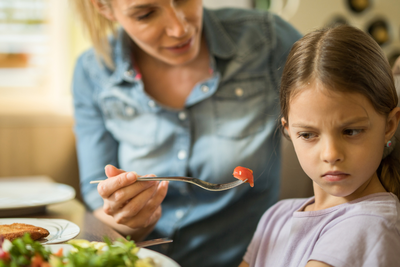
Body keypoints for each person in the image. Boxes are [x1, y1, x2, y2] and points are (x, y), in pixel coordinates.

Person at [71, 0, 302, 266]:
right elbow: (97, 198)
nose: (180, 28)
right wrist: (132, 220)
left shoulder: (267, 40)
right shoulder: (92, 73)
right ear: (104, 7)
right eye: (146, 14)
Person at [240, 25, 400, 267]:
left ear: (389, 125)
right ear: (288, 130)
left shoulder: (371, 225)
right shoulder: (276, 217)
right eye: (309, 134)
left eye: (351, 131)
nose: (331, 154)